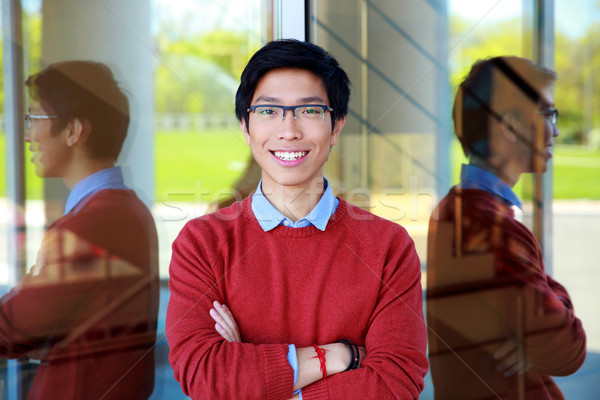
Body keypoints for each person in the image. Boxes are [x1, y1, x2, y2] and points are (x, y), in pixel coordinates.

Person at [166, 39, 428, 399]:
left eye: (309, 111)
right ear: (245, 127)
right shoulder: (202, 243)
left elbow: (395, 384)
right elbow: (204, 376)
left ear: (335, 126)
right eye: (268, 112)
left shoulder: (388, 246)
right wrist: (337, 357)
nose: (289, 130)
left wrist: (256, 376)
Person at [426, 56, 586, 399]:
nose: (556, 129)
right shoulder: (490, 226)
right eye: (547, 114)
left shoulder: (456, 208)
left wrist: (538, 322)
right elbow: (568, 350)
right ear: (511, 127)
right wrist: (554, 307)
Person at [0, 61, 159, 399]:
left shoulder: (90, 224)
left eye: (35, 119)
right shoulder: (127, 210)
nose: (27, 135)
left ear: (74, 131)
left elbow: (12, 329)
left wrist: (34, 331)